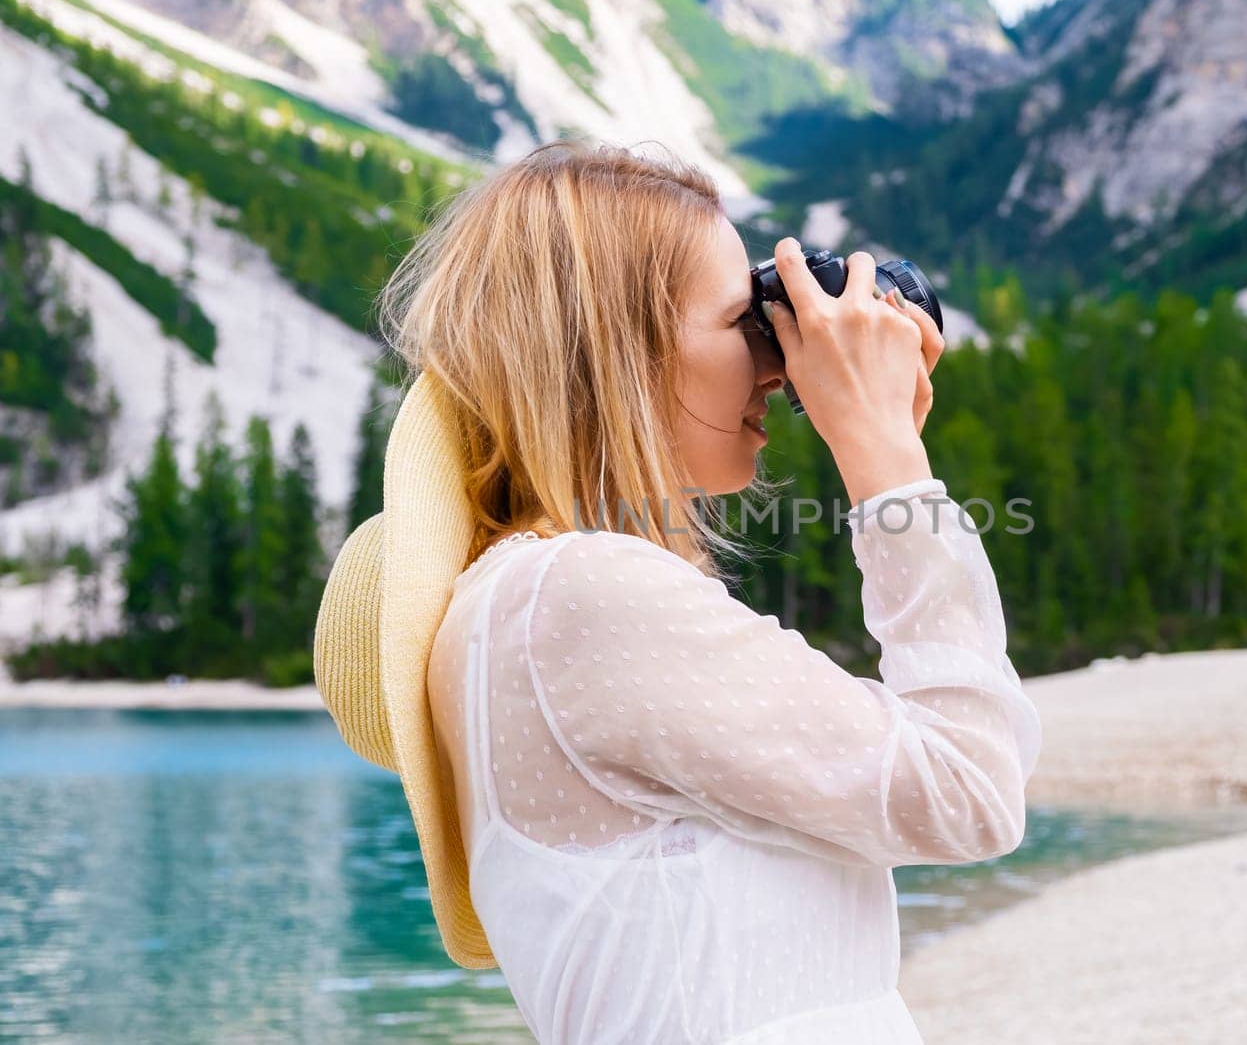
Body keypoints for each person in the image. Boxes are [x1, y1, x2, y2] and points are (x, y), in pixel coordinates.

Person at [314, 137, 1041, 1044]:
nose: (778, 365)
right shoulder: (573, 597)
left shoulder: (537, 604)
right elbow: (969, 789)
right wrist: (885, 457)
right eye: (746, 321)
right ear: (616, 347)